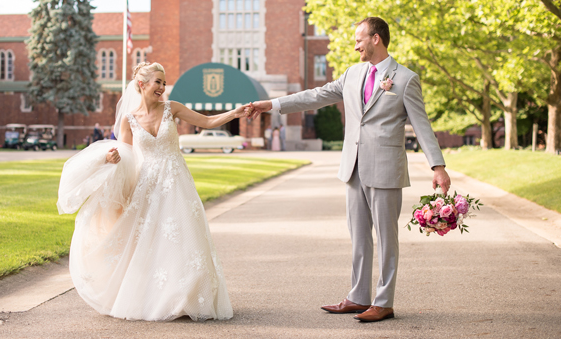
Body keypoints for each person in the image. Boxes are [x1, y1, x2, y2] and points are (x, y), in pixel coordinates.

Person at [246, 17, 450, 322]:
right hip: (353, 168)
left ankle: (384, 302)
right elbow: (315, 96)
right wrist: (271, 104)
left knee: (386, 237)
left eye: (359, 39)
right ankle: (358, 297)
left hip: (385, 169)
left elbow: (422, 126)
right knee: (359, 236)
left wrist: (438, 166)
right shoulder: (352, 74)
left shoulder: (405, 79)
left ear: (376, 39)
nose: (355, 45)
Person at [57, 62, 247, 321]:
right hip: (147, 185)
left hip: (177, 183)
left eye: (164, 83)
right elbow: (125, 156)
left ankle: (187, 297)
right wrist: (111, 160)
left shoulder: (173, 108)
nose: (162, 87)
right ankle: (157, 298)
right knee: (150, 242)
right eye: (158, 81)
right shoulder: (129, 119)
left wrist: (235, 113)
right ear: (141, 84)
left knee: (185, 237)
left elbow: (207, 121)